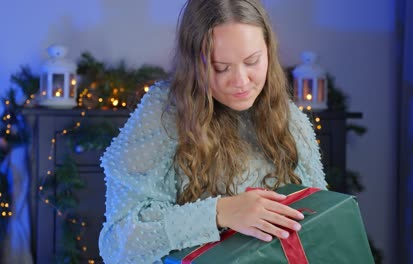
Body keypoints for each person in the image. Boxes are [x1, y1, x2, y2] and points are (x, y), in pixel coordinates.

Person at [99, 0, 327, 263]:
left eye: (252, 61)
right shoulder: (163, 112)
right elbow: (118, 243)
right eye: (221, 67)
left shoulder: (290, 118)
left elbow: (319, 226)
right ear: (193, 63)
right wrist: (220, 212)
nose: (241, 81)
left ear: (268, 50)